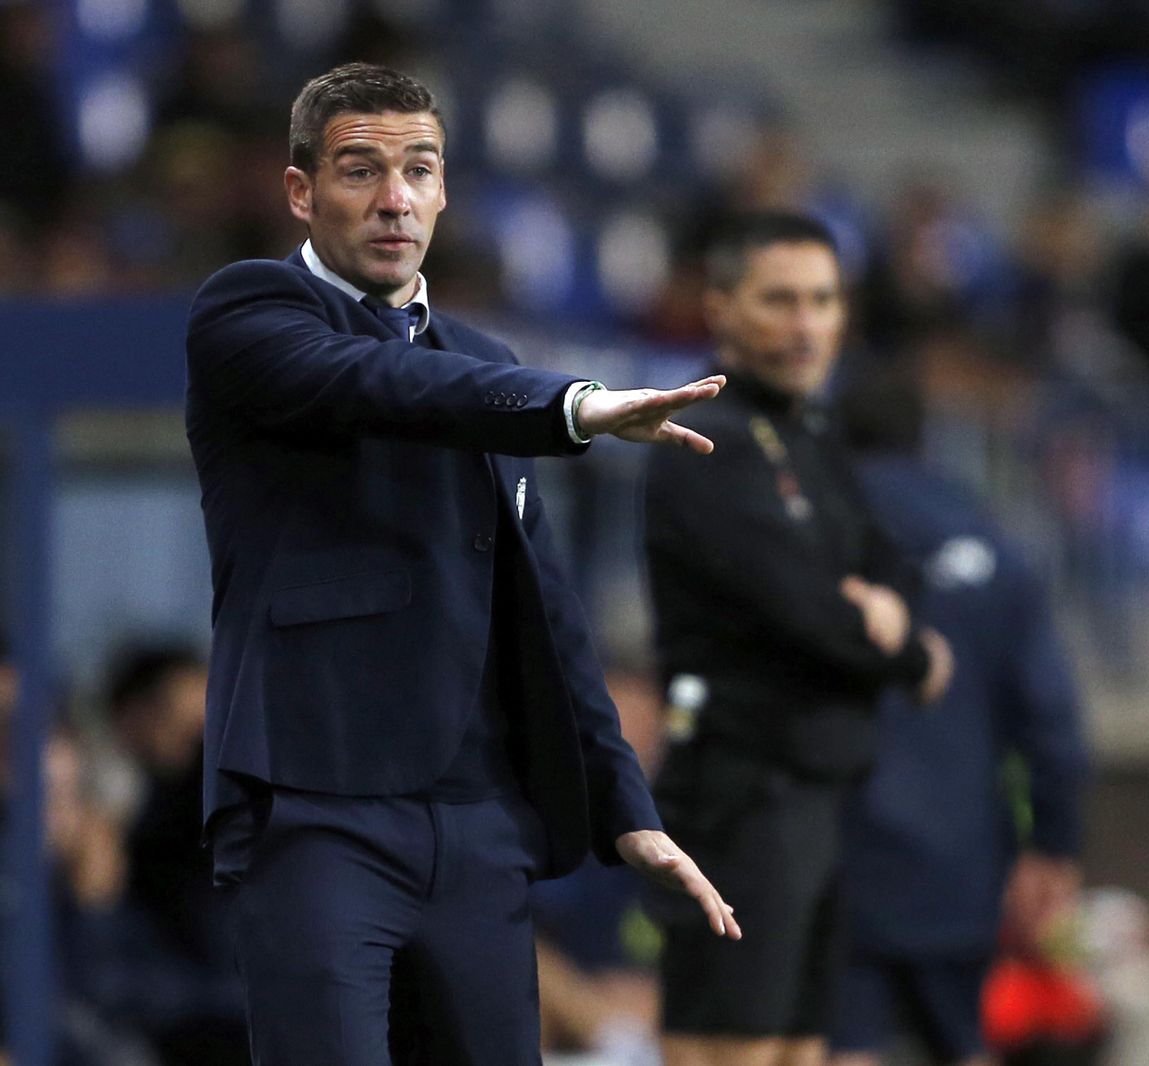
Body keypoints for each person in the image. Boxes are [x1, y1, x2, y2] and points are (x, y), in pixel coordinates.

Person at [184, 62, 737, 1066]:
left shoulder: (484, 361)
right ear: (301, 191)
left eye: (420, 170)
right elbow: (375, 380)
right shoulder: (249, 313)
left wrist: (626, 809)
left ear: (444, 190)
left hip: (479, 823)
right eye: (360, 170)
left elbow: (545, 610)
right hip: (317, 808)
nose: (394, 196)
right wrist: (570, 406)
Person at [641, 211, 954, 1066]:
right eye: (780, 300)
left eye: (823, 300)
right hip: (741, 787)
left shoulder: (812, 431)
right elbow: (806, 611)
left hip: (816, 785)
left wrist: (874, 603)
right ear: (721, 307)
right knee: (732, 1047)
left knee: (800, 1046)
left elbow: (894, 567)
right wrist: (909, 649)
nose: (807, 322)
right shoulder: (707, 432)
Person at [829, 366, 1089, 1066]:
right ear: (926, 437)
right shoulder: (993, 546)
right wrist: (1053, 844)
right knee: (966, 1043)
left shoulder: (809, 536)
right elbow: (1052, 719)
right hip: (961, 856)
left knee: (848, 1044)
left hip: (835, 847)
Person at [105, 643, 249, 1064]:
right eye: (178, 721)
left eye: (209, 720)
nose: (201, 739)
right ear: (129, 719)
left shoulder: (223, 830)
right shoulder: (116, 826)